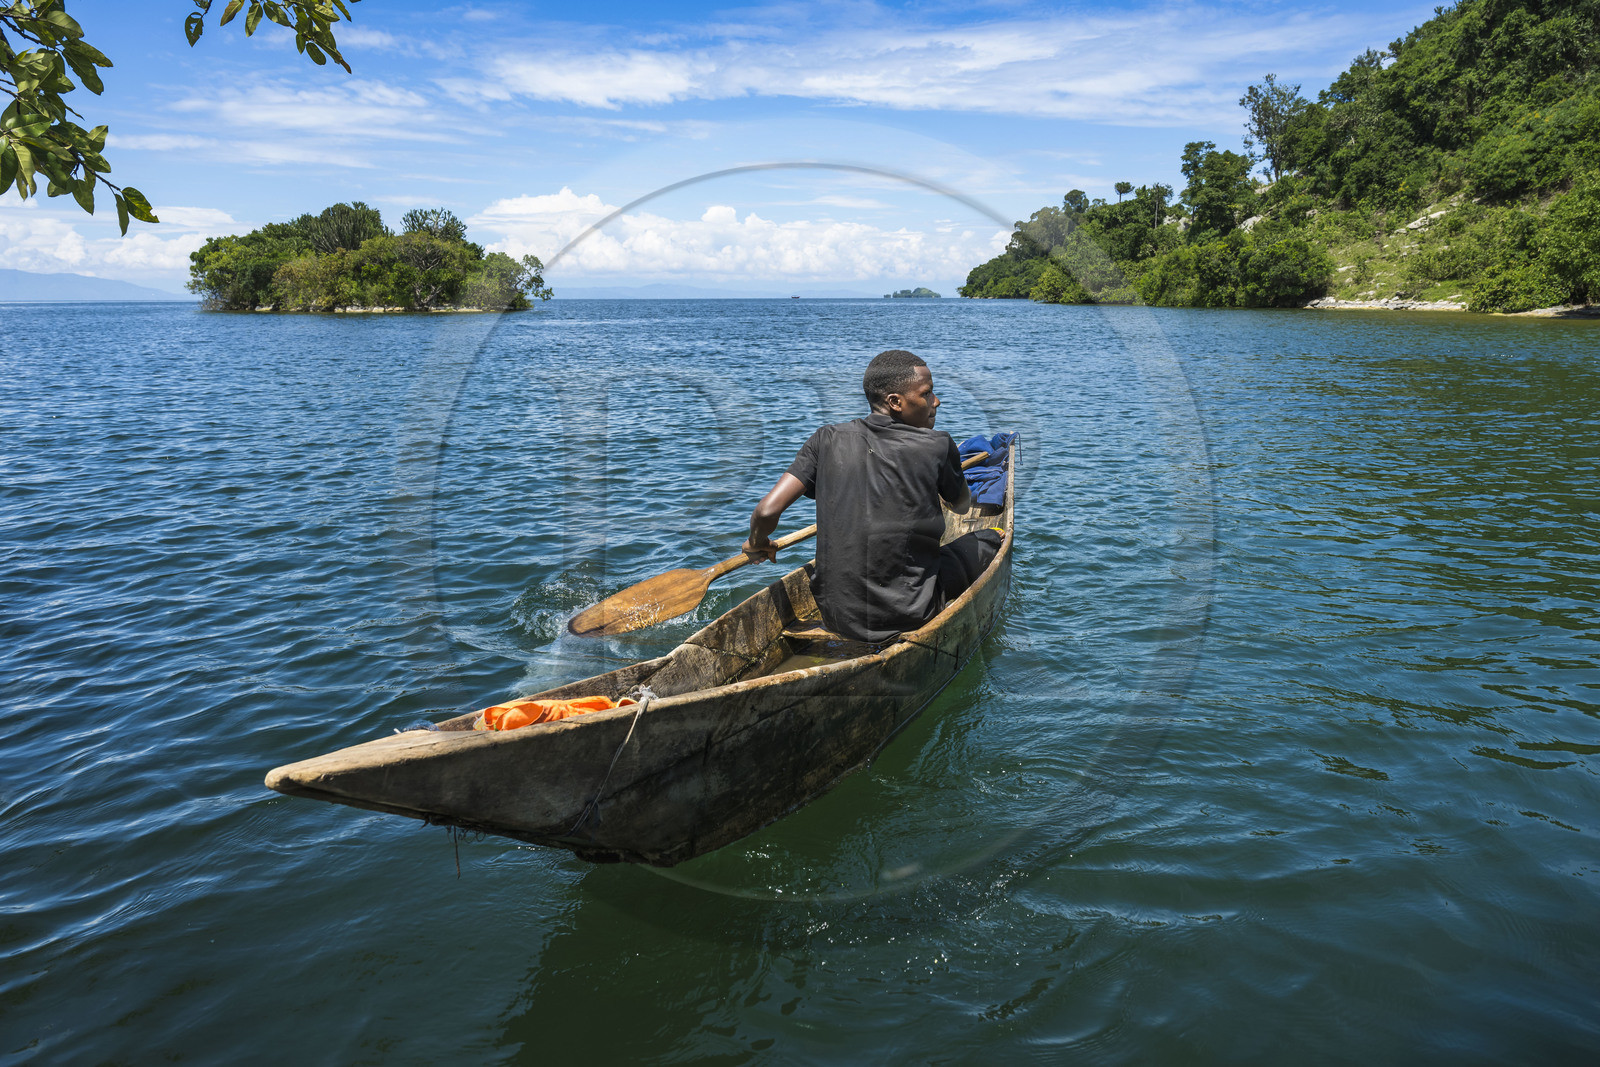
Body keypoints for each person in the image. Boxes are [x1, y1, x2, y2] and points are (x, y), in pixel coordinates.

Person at [742, 349, 1003, 643]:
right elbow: (962, 505)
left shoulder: (824, 439)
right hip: (909, 612)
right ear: (895, 402)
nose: (936, 401)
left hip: (836, 616)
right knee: (991, 539)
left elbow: (766, 512)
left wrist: (758, 543)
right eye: (927, 394)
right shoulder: (938, 444)